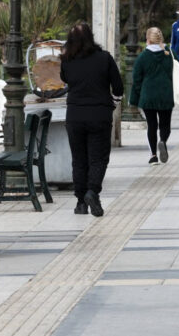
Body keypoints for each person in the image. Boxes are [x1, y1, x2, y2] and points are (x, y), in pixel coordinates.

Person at [59, 22, 123, 217]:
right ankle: (92, 192)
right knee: (98, 158)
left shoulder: (67, 61)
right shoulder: (104, 58)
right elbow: (118, 87)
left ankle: (80, 202)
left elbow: (65, 80)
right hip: (99, 114)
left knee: (79, 160)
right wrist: (113, 100)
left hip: (75, 115)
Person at [130, 27, 174, 166]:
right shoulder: (168, 55)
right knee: (165, 124)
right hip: (165, 94)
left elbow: (136, 80)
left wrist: (134, 100)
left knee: (152, 125)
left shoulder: (143, 57)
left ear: (147, 40)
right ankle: (163, 141)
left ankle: (153, 156)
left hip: (148, 95)